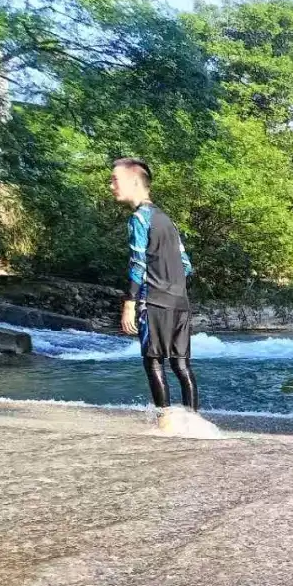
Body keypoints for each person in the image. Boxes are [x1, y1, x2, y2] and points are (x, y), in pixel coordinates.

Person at [108, 158, 199, 416]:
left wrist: (130, 303)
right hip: (179, 302)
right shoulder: (166, 220)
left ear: (134, 181)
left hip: (154, 302)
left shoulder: (139, 218)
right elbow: (186, 265)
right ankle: (194, 420)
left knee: (154, 363)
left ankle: (166, 422)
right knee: (182, 366)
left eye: (115, 180)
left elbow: (138, 264)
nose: (111, 185)